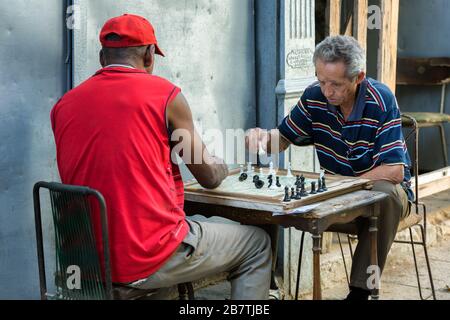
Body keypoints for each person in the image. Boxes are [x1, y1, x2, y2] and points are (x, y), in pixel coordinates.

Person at [51, 13, 272, 300]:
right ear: (148, 55)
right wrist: (220, 165)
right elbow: (207, 177)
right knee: (257, 244)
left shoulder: (64, 105)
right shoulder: (165, 96)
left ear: (102, 58)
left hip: (83, 262)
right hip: (145, 255)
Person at [246, 35, 412, 300]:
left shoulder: (380, 100)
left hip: (377, 199)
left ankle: (359, 292)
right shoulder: (315, 96)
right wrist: (264, 138)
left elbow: (394, 171)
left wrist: (346, 184)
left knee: (386, 194)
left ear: (358, 78)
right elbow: (285, 136)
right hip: (335, 197)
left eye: (335, 84)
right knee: (269, 190)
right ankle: (263, 287)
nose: (327, 91)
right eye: (321, 80)